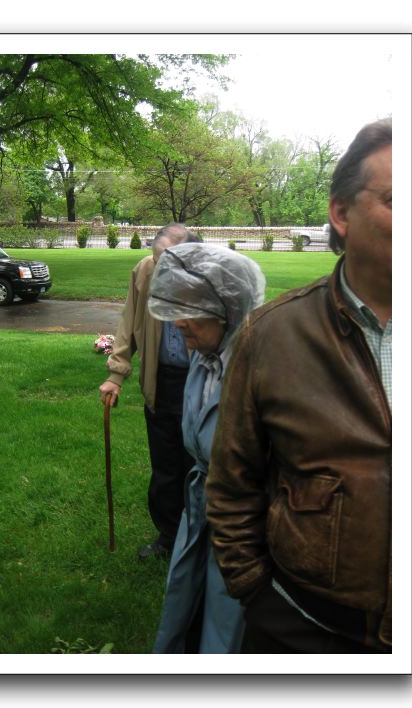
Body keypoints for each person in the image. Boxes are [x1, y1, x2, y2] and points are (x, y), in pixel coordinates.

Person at [206, 118, 393, 654]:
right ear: (341, 213)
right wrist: (257, 593)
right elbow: (231, 485)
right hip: (303, 629)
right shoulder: (272, 335)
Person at [147, 242, 266, 653]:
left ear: (228, 309)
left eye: (189, 310)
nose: (177, 323)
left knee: (228, 624)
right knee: (187, 605)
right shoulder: (203, 355)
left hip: (244, 527)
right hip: (202, 508)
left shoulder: (260, 369)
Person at [99, 224, 201, 559]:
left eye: (168, 262)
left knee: (199, 467)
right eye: (158, 261)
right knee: (165, 467)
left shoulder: (211, 274)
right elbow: (129, 321)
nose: (161, 268)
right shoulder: (145, 269)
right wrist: (116, 374)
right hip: (161, 381)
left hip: (203, 383)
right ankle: (169, 537)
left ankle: (202, 540)